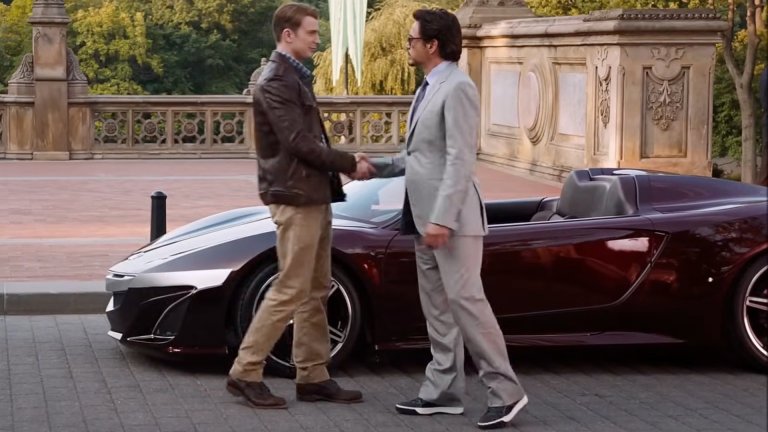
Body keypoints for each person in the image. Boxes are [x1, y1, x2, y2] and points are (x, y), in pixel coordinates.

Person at [363, 8, 528, 430]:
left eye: (412, 39)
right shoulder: (429, 87)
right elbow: (420, 157)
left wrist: (442, 219)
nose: (408, 45)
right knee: (438, 311)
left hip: (450, 221)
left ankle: (507, 393)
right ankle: (443, 392)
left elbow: (460, 159)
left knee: (468, 305)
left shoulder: (457, 88)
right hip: (423, 219)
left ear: (432, 45)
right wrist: (374, 167)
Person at [226, 2, 373, 409]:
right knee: (292, 286)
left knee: (316, 288)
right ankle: (245, 371)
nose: (317, 39)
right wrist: (349, 163)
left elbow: (308, 142)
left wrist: (342, 167)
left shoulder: (293, 76)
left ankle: (313, 376)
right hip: (295, 197)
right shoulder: (276, 80)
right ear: (287, 35)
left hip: (312, 194)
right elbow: (298, 143)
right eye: (311, 32)